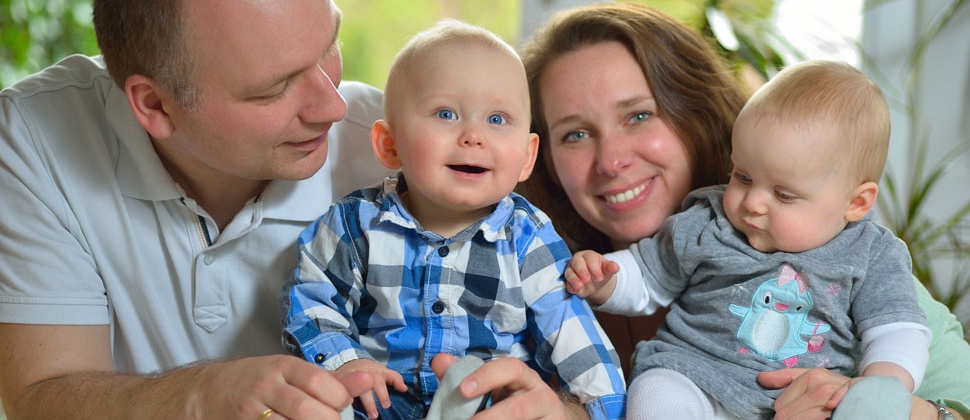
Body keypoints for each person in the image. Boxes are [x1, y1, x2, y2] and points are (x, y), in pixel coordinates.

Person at [0, 1, 577, 419]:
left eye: (328, 47)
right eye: (274, 88)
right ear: (155, 104)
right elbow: (39, 394)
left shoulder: (414, 152)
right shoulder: (35, 137)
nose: (332, 105)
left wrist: (565, 411)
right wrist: (199, 398)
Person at [516, 2, 970, 419]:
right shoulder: (530, 281)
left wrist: (879, 403)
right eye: (575, 135)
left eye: (638, 115)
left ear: (695, 115)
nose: (611, 161)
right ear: (540, 157)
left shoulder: (853, 254)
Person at [280, 20, 626, 420]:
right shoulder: (355, 224)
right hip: (380, 404)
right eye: (446, 113)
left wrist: (590, 413)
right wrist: (345, 362)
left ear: (527, 156)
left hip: (485, 407)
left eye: (497, 119)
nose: (473, 136)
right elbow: (312, 297)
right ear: (389, 144)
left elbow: (577, 343)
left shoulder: (527, 239)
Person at [565, 59, 930, 419]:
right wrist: (604, 277)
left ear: (856, 203)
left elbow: (897, 330)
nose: (752, 203)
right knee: (655, 395)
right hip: (693, 374)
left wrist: (879, 388)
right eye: (742, 177)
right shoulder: (710, 220)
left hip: (797, 402)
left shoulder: (871, 253)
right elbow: (648, 274)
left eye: (783, 194)